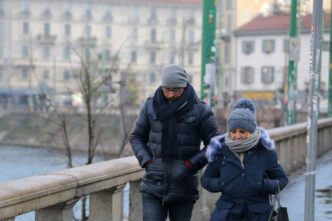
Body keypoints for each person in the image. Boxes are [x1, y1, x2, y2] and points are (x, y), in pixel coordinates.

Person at [130, 64, 220, 221]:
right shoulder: (150, 105)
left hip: (184, 185)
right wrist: (148, 162)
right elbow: (136, 136)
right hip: (153, 184)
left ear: (184, 87)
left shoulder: (200, 110)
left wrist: (190, 165)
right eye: (167, 89)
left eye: (176, 90)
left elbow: (216, 143)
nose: (170, 94)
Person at [201, 98, 288, 221]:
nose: (237, 136)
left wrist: (263, 185)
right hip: (227, 214)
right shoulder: (221, 151)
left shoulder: (265, 151)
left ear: (251, 131)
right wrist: (222, 184)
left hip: (258, 214)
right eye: (233, 131)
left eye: (242, 131)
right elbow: (205, 180)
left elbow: (282, 179)